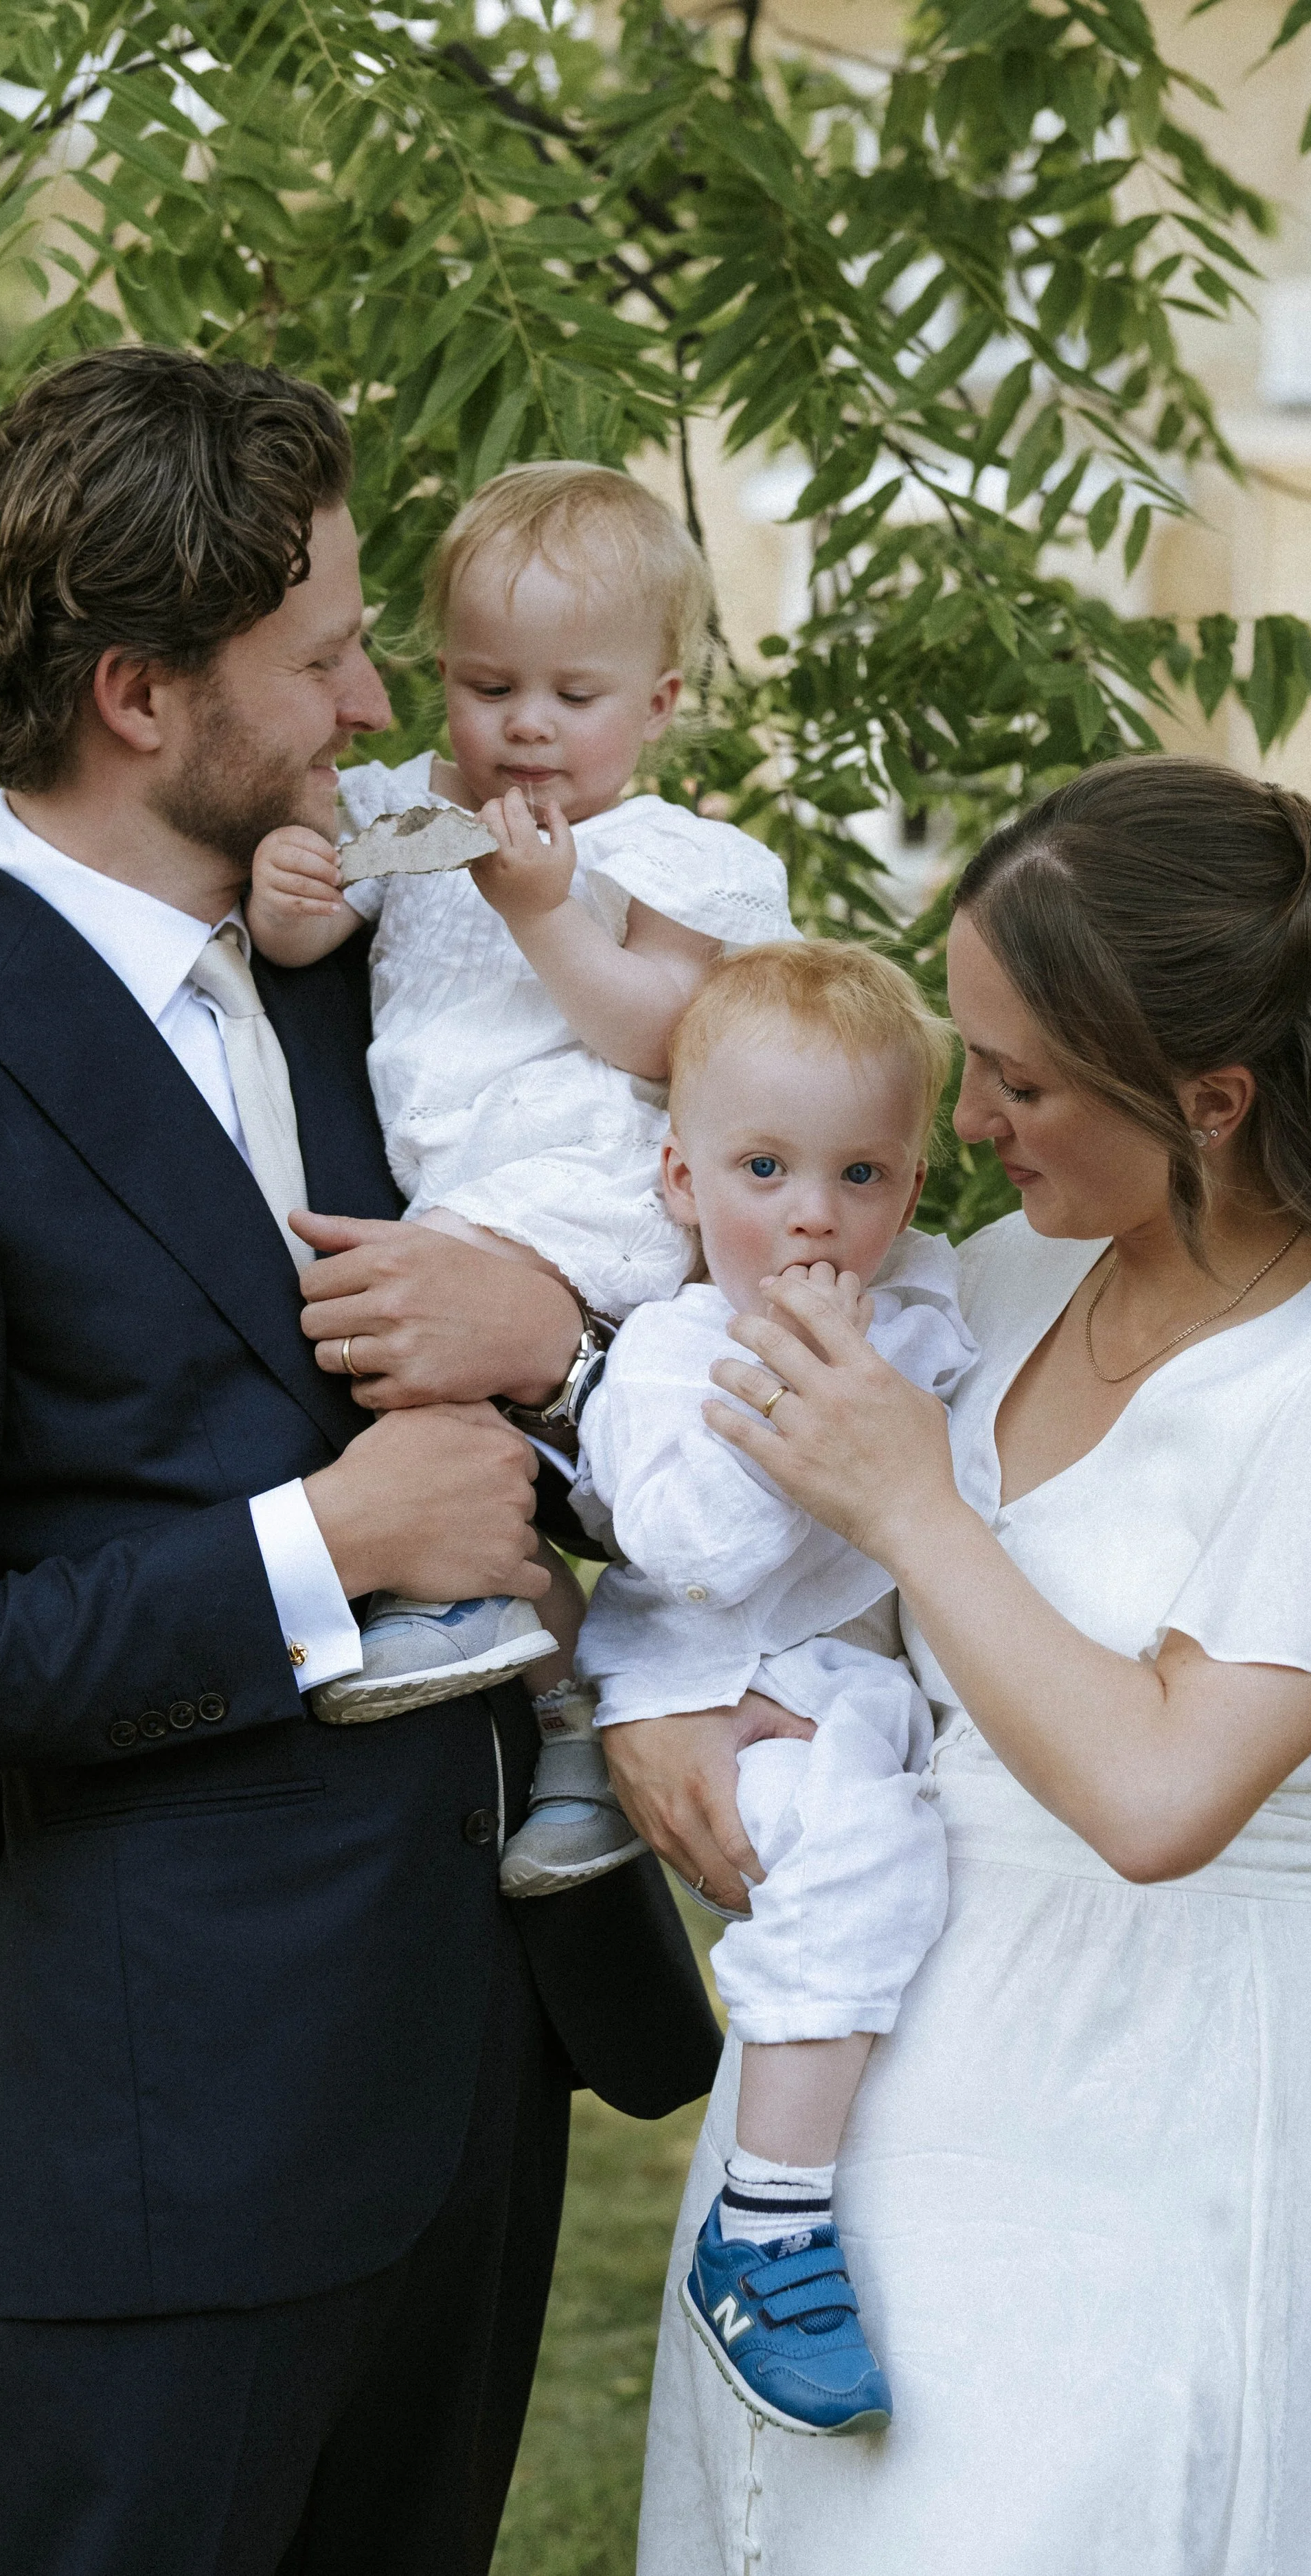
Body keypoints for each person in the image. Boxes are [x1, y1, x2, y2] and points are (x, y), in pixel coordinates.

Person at [0, 344, 720, 2576]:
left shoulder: (379, 954)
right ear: (143, 693)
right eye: (325, 652)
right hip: (178, 2144)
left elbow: (649, 1192)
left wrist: (568, 1320)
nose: (368, 708)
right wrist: (313, 1548)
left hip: (480, 2072)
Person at [617, 758, 1311, 2574]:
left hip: (1128, 2107)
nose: (967, 1121)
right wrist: (665, 1713)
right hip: (842, 2082)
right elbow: (777, 1570)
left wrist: (913, 1501)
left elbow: (1156, 1795)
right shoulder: (994, 1285)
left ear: (1207, 1098)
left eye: (1022, 1077)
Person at [244, 462, 796, 1886]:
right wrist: (291, 898)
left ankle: (464, 1616)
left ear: (661, 703)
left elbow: (667, 1032)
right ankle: (565, 1706)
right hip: (458, 1199)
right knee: (399, 1364)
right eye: (490, 688)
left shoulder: (673, 858)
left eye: (573, 695)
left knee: (403, 1355)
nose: (526, 728)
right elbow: (312, 938)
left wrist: (545, 911)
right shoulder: (412, 816)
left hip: (581, 1189)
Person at [569, 942, 974, 2435]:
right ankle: (769, 2221)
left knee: (892, 1855)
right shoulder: (672, 1357)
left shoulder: (917, 1314)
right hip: (720, 1688)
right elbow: (698, 1555)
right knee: (865, 1855)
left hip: (843, 1692)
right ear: (679, 1182)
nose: (813, 1212)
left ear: (911, 1186)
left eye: (859, 1175)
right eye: (761, 1167)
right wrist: (800, 1385)